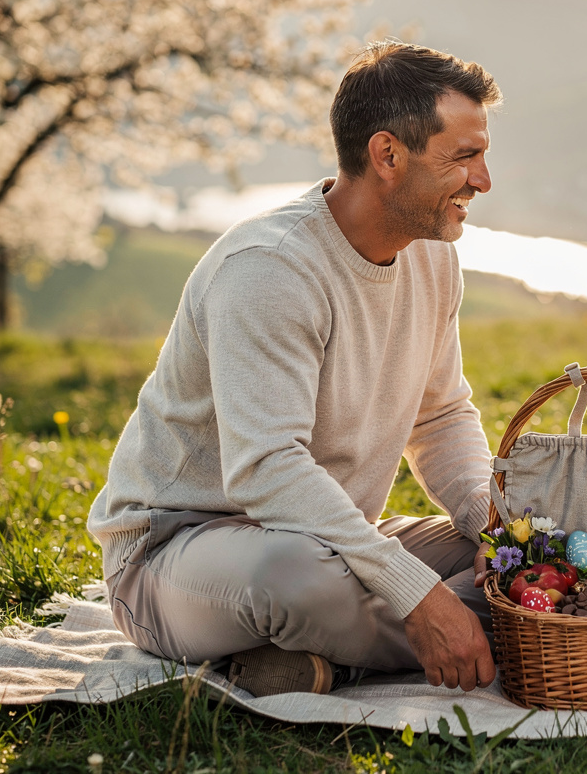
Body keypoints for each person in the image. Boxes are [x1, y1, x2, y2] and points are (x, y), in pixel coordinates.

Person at [87, 42, 501, 697]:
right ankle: (498, 636)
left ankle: (334, 662)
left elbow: (442, 414)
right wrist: (418, 596)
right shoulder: (270, 270)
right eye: (463, 157)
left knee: (516, 560)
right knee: (297, 578)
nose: (482, 180)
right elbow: (267, 467)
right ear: (388, 156)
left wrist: (491, 522)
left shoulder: (433, 255)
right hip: (177, 554)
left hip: (329, 538)